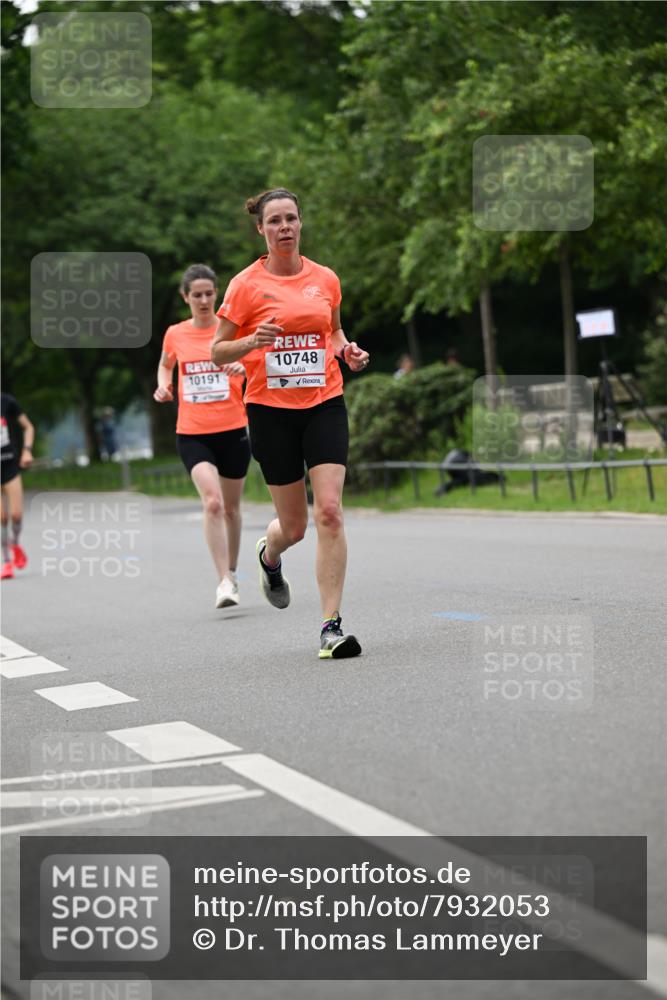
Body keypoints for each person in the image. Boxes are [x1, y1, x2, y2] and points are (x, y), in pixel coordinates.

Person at [211, 187, 370, 659]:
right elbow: (218, 350)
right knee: (296, 526)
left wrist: (347, 350)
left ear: (301, 224)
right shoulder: (244, 286)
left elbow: (333, 330)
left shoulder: (325, 279)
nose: (285, 227)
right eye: (275, 221)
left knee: (330, 512)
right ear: (260, 229)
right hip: (269, 412)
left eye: (291, 219)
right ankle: (270, 554)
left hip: (324, 401)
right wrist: (251, 341)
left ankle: (330, 627)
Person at [154, 264, 251, 608]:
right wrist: (164, 386)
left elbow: (256, 364)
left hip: (233, 430)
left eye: (210, 293)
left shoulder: (231, 332)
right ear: (186, 298)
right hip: (193, 433)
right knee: (213, 502)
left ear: (217, 294)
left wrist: (244, 366)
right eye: (197, 294)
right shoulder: (175, 334)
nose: (204, 300)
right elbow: (166, 365)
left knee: (232, 510)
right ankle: (223, 580)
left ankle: (234, 570)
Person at [1, 392, 34, 580]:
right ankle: (6, 563)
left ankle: (15, 543)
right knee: (2, 518)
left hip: (9, 465)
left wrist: (27, 451)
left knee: (16, 515)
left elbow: (28, 427)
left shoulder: (6, 401)